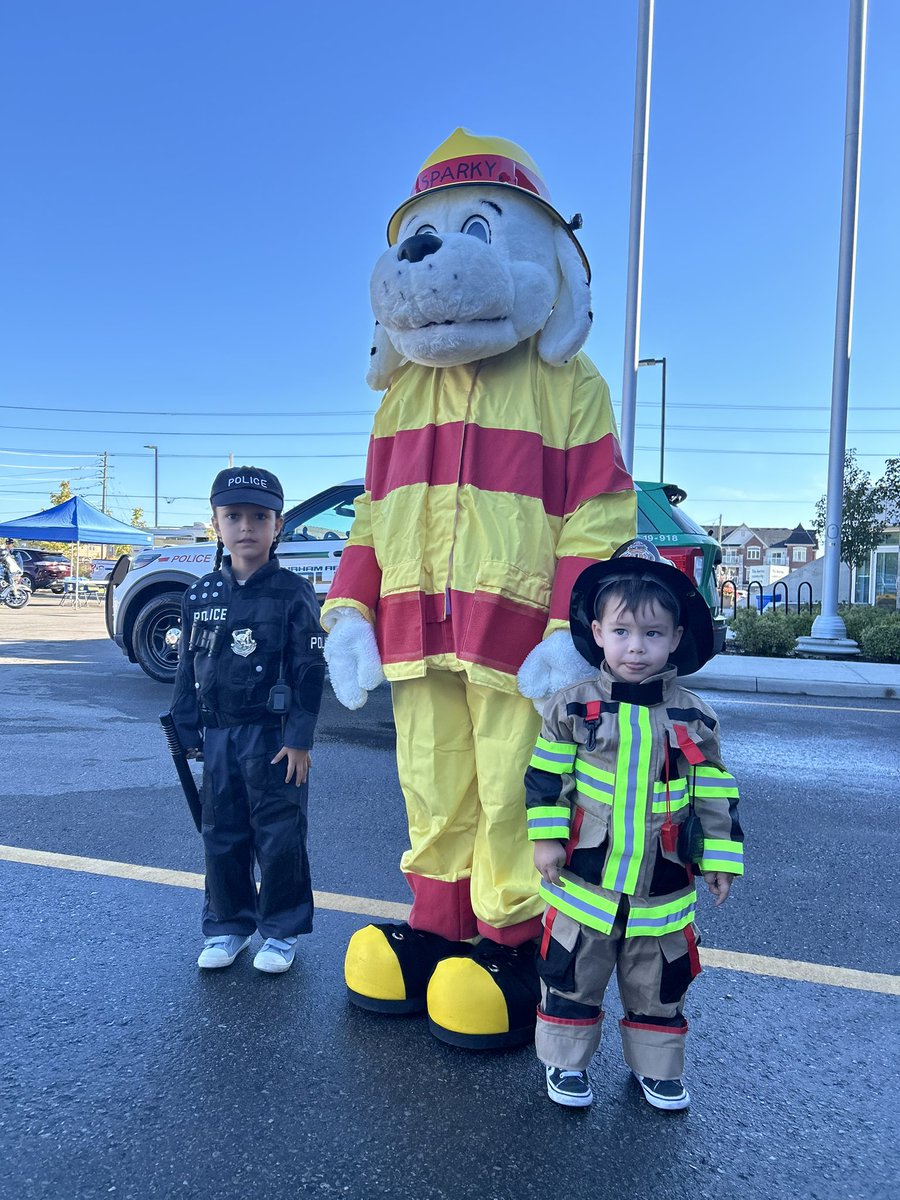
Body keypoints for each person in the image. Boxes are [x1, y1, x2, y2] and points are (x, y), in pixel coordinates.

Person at [525, 538, 744, 1110]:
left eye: (652, 634)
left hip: (663, 887)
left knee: (659, 983)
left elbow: (715, 790)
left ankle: (657, 1069)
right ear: (596, 632)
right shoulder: (572, 707)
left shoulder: (694, 714)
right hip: (585, 883)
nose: (636, 648)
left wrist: (719, 859)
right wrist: (547, 840)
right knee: (573, 973)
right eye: (621, 632)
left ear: (675, 638)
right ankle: (567, 1066)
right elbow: (546, 780)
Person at [170, 466, 325, 974]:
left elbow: (308, 670)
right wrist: (187, 728)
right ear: (215, 521)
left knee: (279, 834)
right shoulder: (201, 596)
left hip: (274, 738)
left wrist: (300, 738)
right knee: (221, 831)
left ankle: (281, 931)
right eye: (233, 515)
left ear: (278, 525)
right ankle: (228, 925)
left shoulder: (294, 593)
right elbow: (188, 668)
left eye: (260, 516)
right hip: (218, 735)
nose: (246, 527)